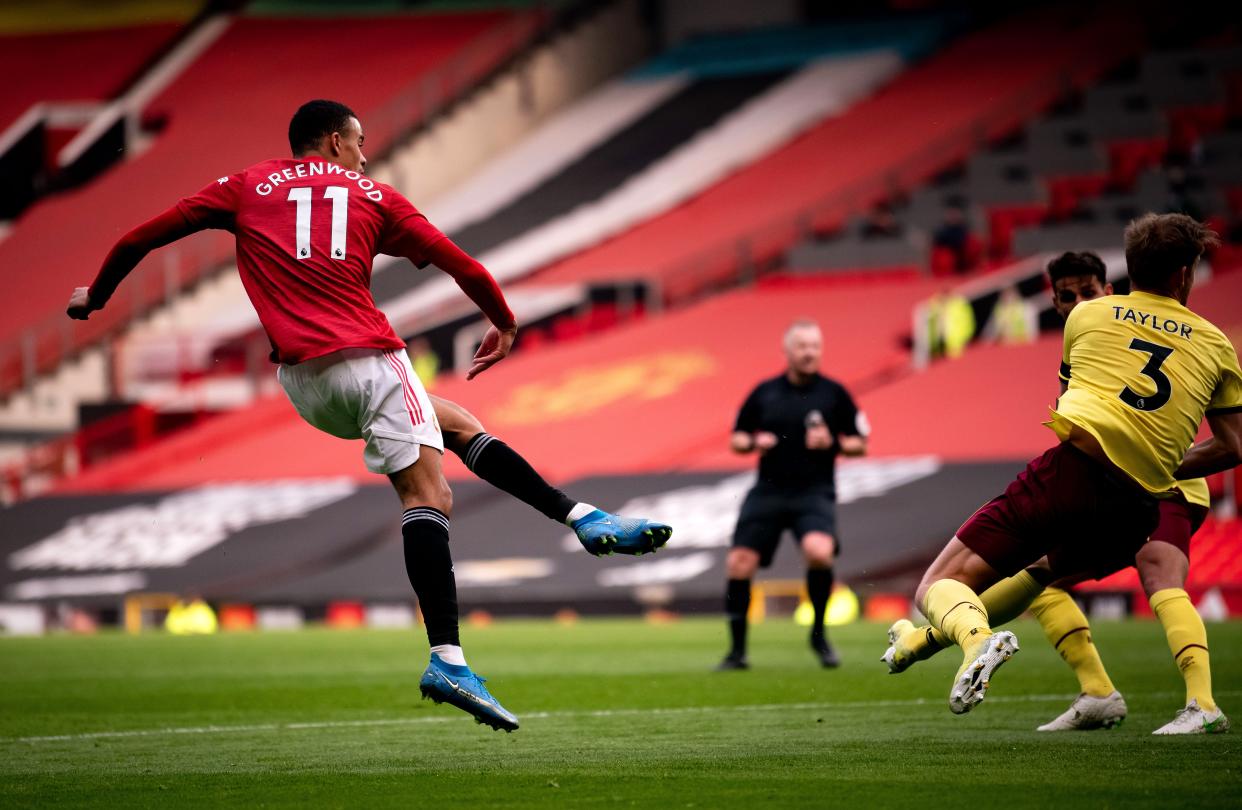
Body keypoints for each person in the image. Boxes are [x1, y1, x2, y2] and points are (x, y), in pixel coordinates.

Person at [66, 100, 671, 733]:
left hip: (304, 384)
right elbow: (460, 264)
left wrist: (95, 297)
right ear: (332, 140)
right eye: (358, 140)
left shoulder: (244, 186)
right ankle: (449, 658)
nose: (364, 152)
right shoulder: (375, 195)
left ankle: (581, 517)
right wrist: (505, 320)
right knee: (428, 491)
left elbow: (141, 237)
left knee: (456, 423)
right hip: (368, 357)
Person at [889, 214, 1242, 720]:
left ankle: (976, 641)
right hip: (1143, 503)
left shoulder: (1087, 319)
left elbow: (1073, 402)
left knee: (941, 584)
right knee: (1042, 574)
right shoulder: (1217, 346)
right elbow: (1234, 446)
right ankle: (1115, 693)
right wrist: (1162, 461)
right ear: (1185, 274)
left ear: (1124, 273)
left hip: (1079, 471)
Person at [718, 320, 869, 671]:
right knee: (739, 562)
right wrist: (755, 442)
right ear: (787, 352)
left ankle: (818, 634)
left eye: (815, 346)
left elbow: (860, 442)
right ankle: (736, 651)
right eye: (802, 346)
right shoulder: (764, 393)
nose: (809, 352)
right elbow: (737, 439)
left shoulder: (834, 394)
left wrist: (834, 442)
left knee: (819, 551)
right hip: (768, 490)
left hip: (813, 491)